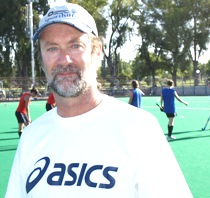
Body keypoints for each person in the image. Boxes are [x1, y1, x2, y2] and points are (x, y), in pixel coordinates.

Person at [5, 3, 192, 197]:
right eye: (52, 48)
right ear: (42, 58)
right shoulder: (31, 137)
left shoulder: (139, 129)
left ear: (97, 51)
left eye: (75, 45)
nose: (64, 59)